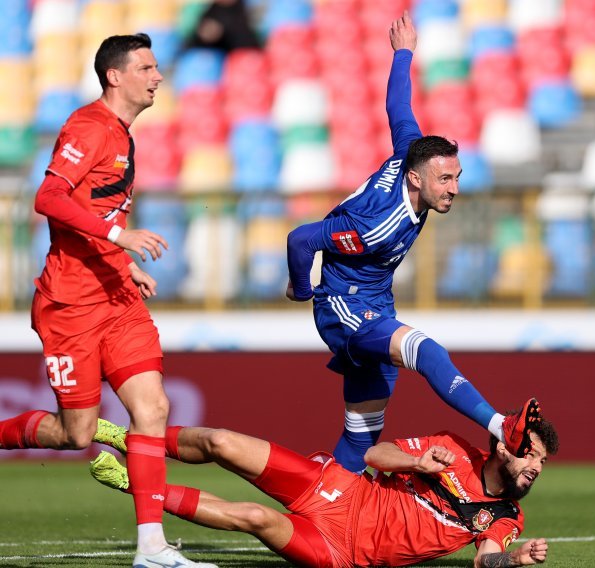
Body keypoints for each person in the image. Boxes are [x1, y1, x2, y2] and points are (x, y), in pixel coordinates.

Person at [0, 34, 214, 568]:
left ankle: (152, 548)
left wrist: (125, 264)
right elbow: (48, 198)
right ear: (116, 76)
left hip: (116, 297)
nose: (158, 76)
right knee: (77, 434)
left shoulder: (123, 135)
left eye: (157, 66)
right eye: (146, 67)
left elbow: (98, 212)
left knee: (153, 409)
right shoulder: (88, 127)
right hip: (70, 305)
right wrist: (121, 242)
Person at [286, 11, 508, 473]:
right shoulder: (372, 225)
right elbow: (301, 238)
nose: (453, 189)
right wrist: (302, 289)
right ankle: (500, 425)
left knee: (361, 437)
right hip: (343, 307)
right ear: (415, 178)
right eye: (444, 179)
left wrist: (403, 53)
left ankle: (324, 507)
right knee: (428, 351)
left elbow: (399, 110)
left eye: (457, 177)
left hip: (376, 303)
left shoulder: (410, 154)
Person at [89, 397, 559, 567]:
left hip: (340, 551)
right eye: (531, 455)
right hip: (340, 489)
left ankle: (133, 483)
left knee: (253, 517)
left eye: (541, 461)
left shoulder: (505, 516)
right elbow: (374, 453)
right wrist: (416, 463)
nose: (537, 467)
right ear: (504, 448)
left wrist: (513, 560)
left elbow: (486, 561)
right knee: (222, 442)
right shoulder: (453, 446)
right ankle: (132, 440)